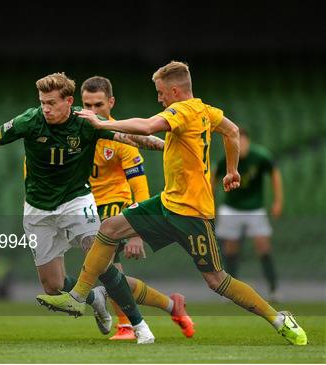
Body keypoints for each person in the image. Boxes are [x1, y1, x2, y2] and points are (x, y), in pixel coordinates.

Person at [37, 61, 307, 346]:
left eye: (161, 92)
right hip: (168, 203)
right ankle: (78, 297)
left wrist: (103, 123)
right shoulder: (206, 110)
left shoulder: (182, 111)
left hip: (192, 213)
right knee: (109, 229)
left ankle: (278, 318)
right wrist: (232, 170)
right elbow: (231, 130)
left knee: (217, 281)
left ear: (175, 90)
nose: (159, 98)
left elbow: (147, 126)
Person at [0, 72, 166, 344]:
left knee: (102, 263)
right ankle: (94, 300)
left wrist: (171, 148)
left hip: (76, 201)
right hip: (37, 209)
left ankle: (139, 327)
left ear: (69, 101)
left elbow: (136, 139)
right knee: (53, 285)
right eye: (42, 102)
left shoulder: (87, 122)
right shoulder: (30, 120)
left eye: (51, 103)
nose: (45, 108)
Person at [81, 76, 194, 340]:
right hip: (87, 210)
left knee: (107, 273)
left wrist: (136, 232)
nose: (93, 111)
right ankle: (170, 306)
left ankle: (127, 325)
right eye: (87, 104)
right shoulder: (79, 132)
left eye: (99, 104)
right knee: (111, 277)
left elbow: (140, 187)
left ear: (111, 102)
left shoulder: (122, 138)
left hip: (115, 208)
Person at [213, 128, 282, 302]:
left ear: (248, 142)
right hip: (231, 208)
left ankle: (273, 288)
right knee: (230, 249)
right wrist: (210, 203)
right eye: (237, 142)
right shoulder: (227, 158)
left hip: (254, 209)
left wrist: (278, 201)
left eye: (242, 142)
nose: (240, 145)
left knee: (263, 246)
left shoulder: (260, 156)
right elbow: (212, 177)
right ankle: (230, 291)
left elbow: (274, 173)